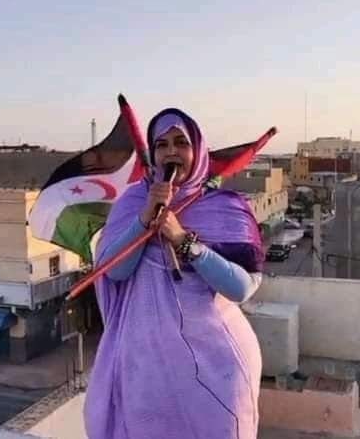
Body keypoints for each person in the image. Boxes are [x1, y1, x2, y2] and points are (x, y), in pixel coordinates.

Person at [85, 109, 265, 439]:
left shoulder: (223, 206)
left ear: (198, 151)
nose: (171, 152)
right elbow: (115, 271)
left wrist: (182, 240)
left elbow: (241, 288)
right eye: (162, 144)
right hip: (147, 370)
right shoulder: (132, 202)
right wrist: (144, 219)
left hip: (218, 369)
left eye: (181, 143)